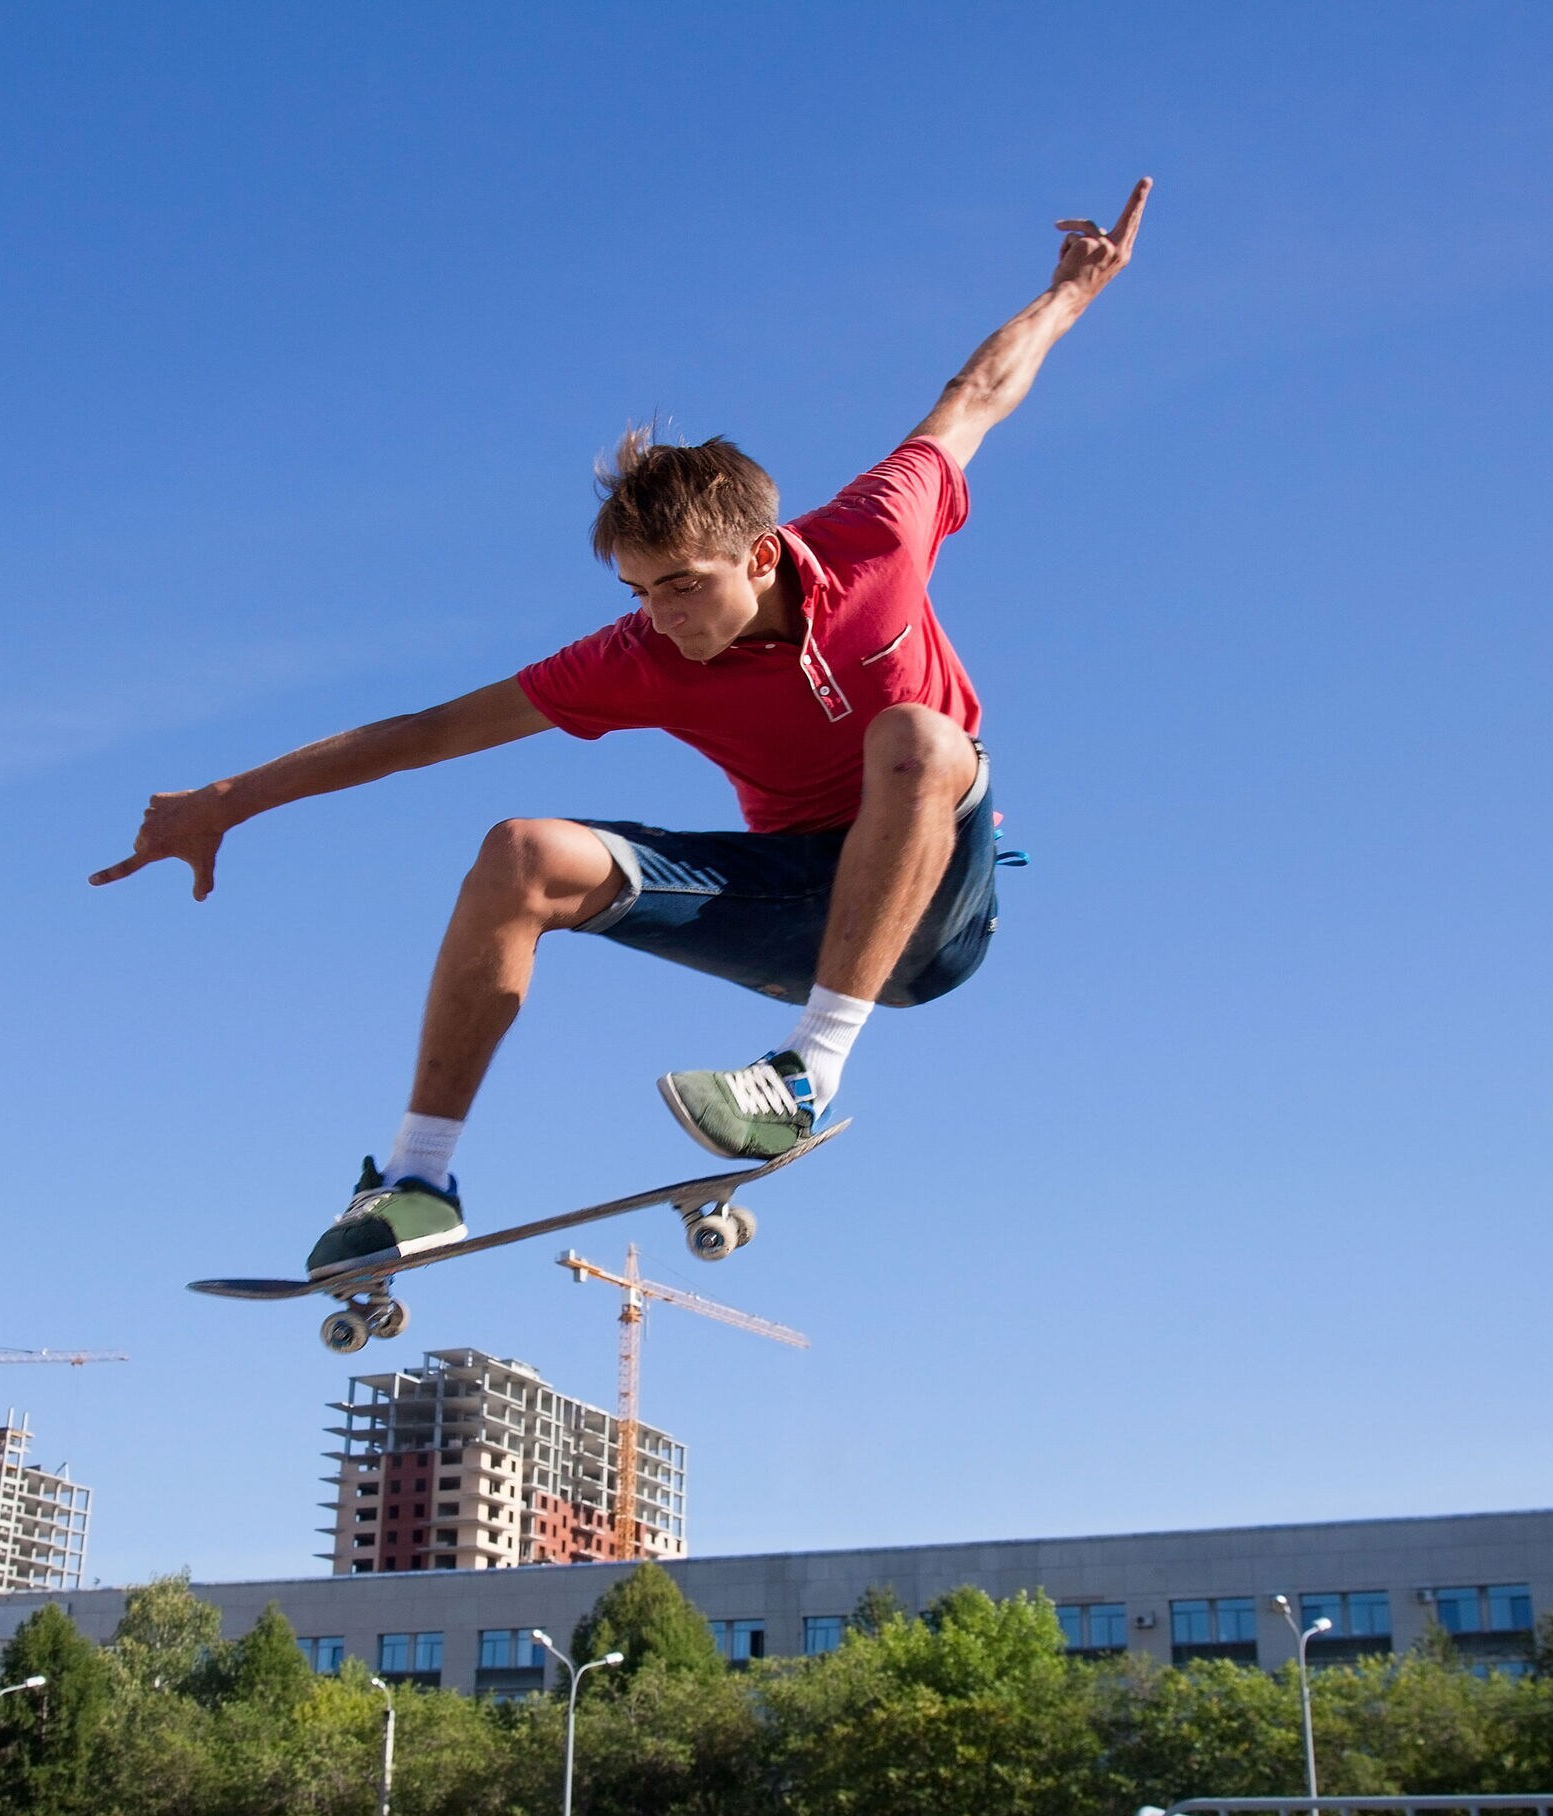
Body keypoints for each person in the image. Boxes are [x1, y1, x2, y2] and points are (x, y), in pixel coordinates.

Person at [96, 179, 1150, 1280]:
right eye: (644, 590)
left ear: (759, 552)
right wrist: (227, 802)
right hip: (798, 910)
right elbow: (426, 730)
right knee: (521, 853)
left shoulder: (879, 533)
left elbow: (976, 394)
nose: (666, 618)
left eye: (685, 585)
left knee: (919, 740)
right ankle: (417, 1181)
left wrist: (1070, 291)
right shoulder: (634, 659)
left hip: (938, 907)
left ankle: (804, 1076)